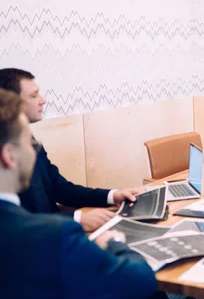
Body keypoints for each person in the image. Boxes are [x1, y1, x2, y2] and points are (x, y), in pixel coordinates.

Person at [0, 87, 158, 298]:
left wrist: (111, 195)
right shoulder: (55, 235)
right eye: (28, 142)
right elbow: (140, 281)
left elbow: (62, 189)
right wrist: (114, 243)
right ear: (9, 156)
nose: (33, 150)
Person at [0, 68, 142, 232]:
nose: (43, 100)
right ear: (11, 101)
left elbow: (61, 188)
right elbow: (15, 221)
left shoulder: (29, 140)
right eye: (34, 95)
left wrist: (112, 195)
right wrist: (77, 218)